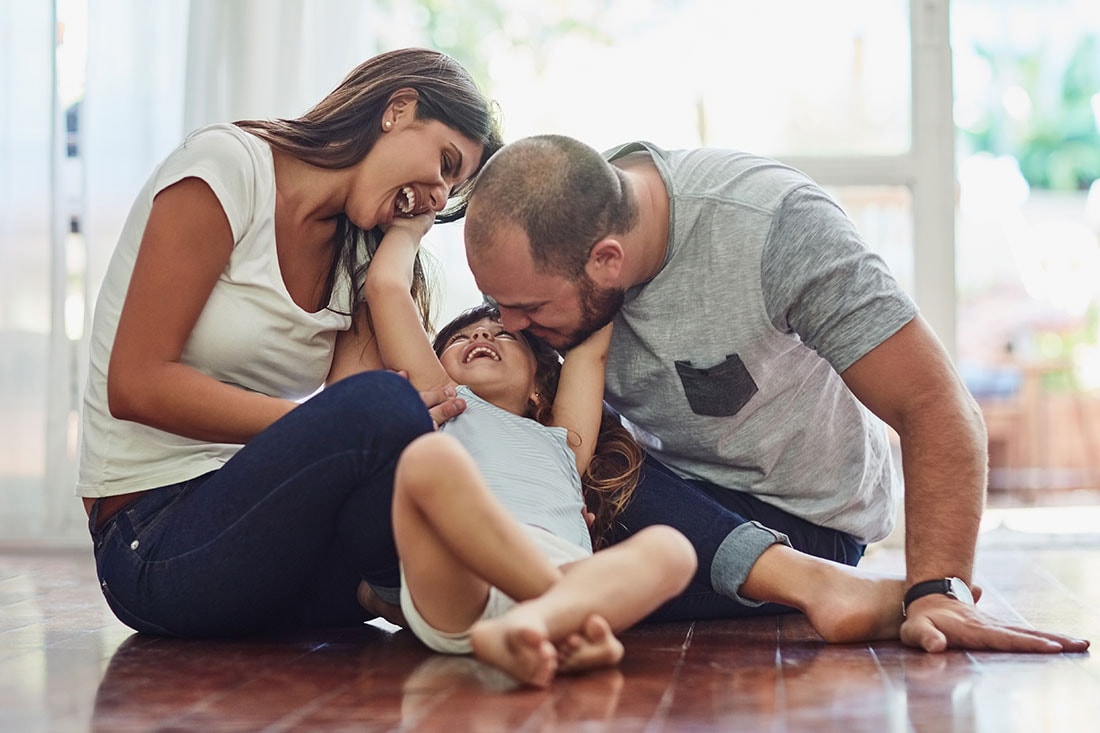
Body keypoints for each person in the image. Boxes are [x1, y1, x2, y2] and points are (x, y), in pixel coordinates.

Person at [460, 134, 1091, 654]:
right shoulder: (558, 232)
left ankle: (828, 586)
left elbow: (934, 404)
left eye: (527, 310)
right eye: (497, 307)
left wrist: (938, 587)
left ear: (606, 260)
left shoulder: (774, 228)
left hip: (801, 524)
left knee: (528, 566)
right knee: (529, 519)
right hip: (661, 500)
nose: (510, 326)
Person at [75, 48, 503, 637]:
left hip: (271, 554)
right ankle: (439, 601)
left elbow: (413, 421)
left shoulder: (359, 254)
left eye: (451, 189)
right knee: (383, 410)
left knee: (413, 439)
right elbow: (135, 384)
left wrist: (387, 274)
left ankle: (436, 596)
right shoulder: (229, 166)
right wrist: (315, 428)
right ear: (398, 110)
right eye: (445, 162)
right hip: (155, 544)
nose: (436, 197)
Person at [364, 209, 697, 686]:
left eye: (503, 334)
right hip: (465, 574)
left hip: (560, 562)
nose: (481, 334)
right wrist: (410, 226)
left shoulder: (565, 441)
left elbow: (591, 343)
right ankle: (559, 620)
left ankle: (532, 628)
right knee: (427, 459)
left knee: (673, 550)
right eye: (460, 338)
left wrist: (600, 237)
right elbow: (387, 291)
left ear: (541, 385)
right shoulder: (451, 404)